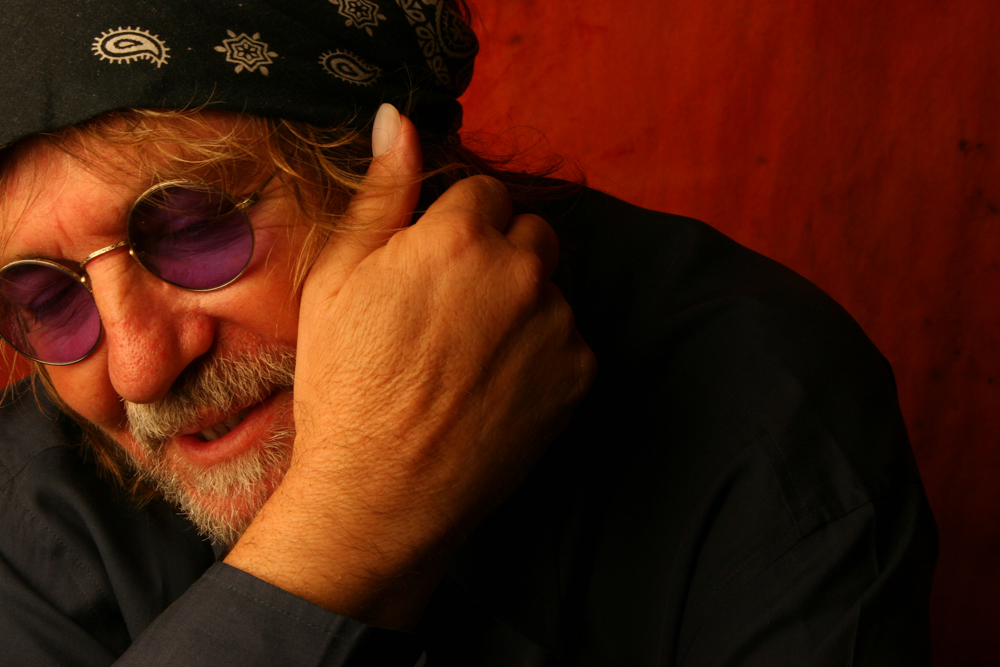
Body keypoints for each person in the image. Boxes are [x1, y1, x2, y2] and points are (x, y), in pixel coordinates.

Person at [0, 1, 937, 665]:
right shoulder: (36, 499)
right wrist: (344, 525)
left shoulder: (758, 407)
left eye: (195, 229)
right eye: (48, 299)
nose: (139, 368)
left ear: (391, 172)